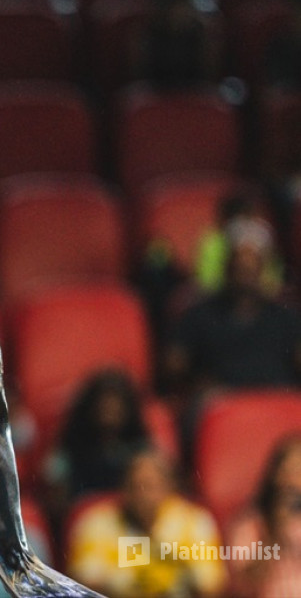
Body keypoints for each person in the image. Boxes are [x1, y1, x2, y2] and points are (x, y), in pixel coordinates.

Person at [163, 215, 301, 395]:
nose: (245, 273)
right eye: (240, 268)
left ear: (262, 269)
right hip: (222, 403)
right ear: (227, 266)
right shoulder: (199, 314)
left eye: (251, 268)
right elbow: (174, 364)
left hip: (275, 402)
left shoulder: (286, 317)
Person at [66, 448, 226, 598]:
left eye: (150, 486)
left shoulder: (194, 522)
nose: (142, 495)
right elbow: (83, 584)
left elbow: (211, 585)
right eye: (135, 486)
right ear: (124, 488)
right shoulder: (97, 524)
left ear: (168, 487)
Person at [43, 369, 152, 524]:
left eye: (116, 405)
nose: (110, 410)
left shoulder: (142, 449)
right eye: (104, 404)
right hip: (86, 526)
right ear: (91, 407)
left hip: (134, 526)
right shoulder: (68, 448)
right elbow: (55, 497)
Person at [228, 434, 301, 598]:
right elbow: (247, 583)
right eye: (291, 470)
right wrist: (276, 527)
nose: (295, 480)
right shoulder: (250, 525)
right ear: (274, 476)